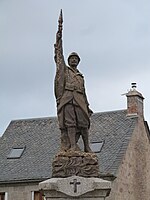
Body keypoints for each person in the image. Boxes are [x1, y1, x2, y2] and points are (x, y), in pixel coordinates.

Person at [54, 10, 93, 152]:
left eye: (76, 59)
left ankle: (87, 147)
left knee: (83, 122)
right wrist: (59, 39)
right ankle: (71, 146)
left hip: (79, 99)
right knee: (70, 123)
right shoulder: (64, 70)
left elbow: (84, 92)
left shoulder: (81, 76)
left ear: (79, 61)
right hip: (68, 98)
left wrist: (87, 106)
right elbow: (59, 55)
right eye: (71, 59)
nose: (74, 60)